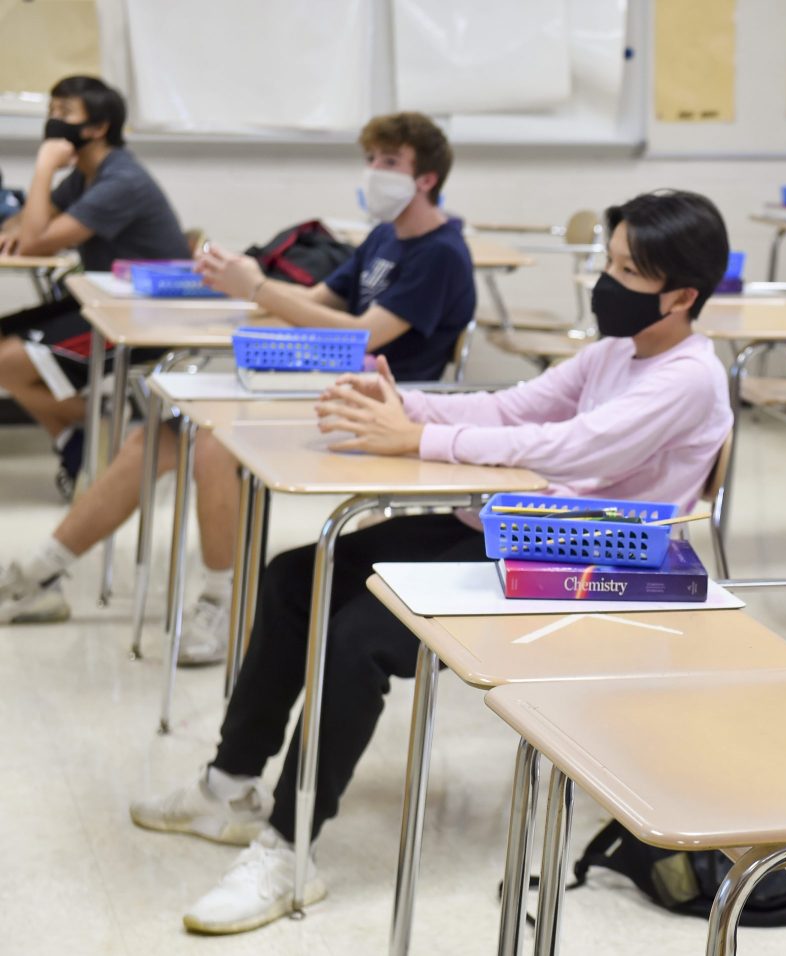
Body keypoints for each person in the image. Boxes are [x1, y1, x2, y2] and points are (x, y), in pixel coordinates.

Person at [128, 188, 734, 935]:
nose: (605, 282)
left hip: (586, 568)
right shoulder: (616, 351)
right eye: (607, 262)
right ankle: (229, 787)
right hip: (520, 535)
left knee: (359, 637)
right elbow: (515, 407)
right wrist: (405, 406)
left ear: (682, 296)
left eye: (627, 271)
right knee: (296, 575)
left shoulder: (689, 377)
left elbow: (568, 449)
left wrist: (417, 439)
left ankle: (288, 850)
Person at [0, 112, 476, 669]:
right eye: (371, 159)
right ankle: (38, 575)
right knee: (153, 438)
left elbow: (365, 333)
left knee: (214, 442)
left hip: (379, 409)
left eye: (389, 162)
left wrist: (260, 289)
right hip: (321, 385)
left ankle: (221, 602)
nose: (374, 171)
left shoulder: (441, 253)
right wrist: (244, 281)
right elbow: (317, 301)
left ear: (426, 178)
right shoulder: (384, 236)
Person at [0, 75, 190, 492]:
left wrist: (44, 166)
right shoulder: (87, 174)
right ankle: (76, 440)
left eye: (64, 113)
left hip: (143, 316)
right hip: (103, 299)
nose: (53, 121)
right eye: (51, 111)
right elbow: (28, 224)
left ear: (98, 127)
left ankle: (102, 421)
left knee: (6, 363)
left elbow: (35, 241)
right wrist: (13, 230)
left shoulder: (121, 181)